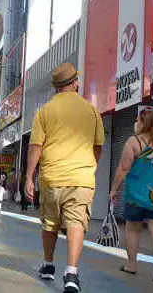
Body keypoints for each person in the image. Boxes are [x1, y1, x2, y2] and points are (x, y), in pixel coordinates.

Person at [24, 63, 104, 292]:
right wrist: (88, 167)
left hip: (51, 178)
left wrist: (29, 177)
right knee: (76, 223)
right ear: (75, 83)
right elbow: (98, 146)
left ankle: (48, 265)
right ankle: (71, 274)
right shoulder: (91, 110)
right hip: (81, 178)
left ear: (56, 87)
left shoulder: (45, 111)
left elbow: (36, 146)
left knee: (49, 223)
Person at [109, 110, 153, 285]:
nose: (135, 122)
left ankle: (131, 265)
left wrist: (114, 189)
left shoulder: (134, 141)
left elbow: (123, 168)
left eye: (137, 120)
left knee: (132, 228)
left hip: (136, 194)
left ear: (144, 123)